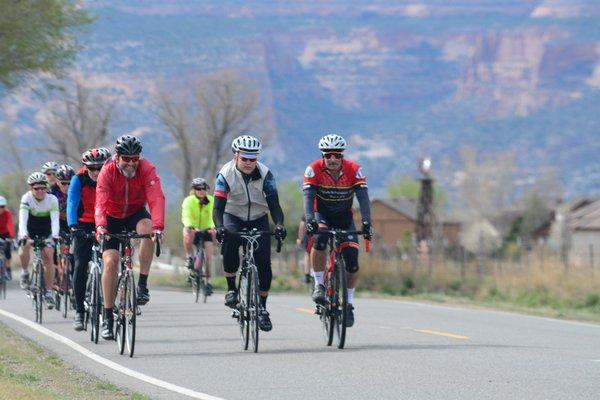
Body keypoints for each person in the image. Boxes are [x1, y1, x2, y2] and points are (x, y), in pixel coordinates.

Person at [213, 135, 286, 332]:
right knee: (229, 241)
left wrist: (279, 224)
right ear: (236, 156)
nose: (248, 163)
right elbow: (218, 209)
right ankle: (231, 289)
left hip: (258, 216)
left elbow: (274, 205)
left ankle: (262, 307)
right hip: (232, 215)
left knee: (263, 261)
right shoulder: (225, 175)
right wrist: (220, 227)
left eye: (252, 159)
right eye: (244, 158)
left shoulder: (266, 175)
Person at [95, 135, 165, 340]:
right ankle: (107, 317)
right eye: (126, 158)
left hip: (135, 212)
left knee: (149, 229)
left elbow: (156, 197)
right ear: (117, 157)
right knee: (111, 262)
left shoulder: (146, 169)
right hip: (111, 216)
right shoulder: (107, 171)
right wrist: (100, 225)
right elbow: (100, 201)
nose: (131, 163)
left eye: (135, 158)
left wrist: (159, 227)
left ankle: (142, 284)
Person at [303, 134, 372, 327]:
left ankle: (349, 303)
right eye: (328, 155)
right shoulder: (313, 169)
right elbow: (308, 199)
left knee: (352, 262)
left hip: (344, 218)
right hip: (321, 214)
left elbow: (363, 198)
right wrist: (310, 221)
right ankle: (319, 284)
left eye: (337, 155)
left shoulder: (354, 170)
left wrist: (367, 223)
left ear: (342, 156)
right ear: (323, 156)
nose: (333, 159)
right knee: (320, 239)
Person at [67, 148, 111, 331]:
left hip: (106, 223)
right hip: (84, 225)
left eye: (99, 168)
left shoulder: (110, 177)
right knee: (80, 265)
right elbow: (71, 203)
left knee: (111, 262)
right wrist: (72, 226)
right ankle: (79, 312)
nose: (95, 172)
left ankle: (114, 300)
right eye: (91, 168)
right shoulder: (78, 179)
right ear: (85, 168)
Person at [18, 172, 60, 308]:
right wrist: (24, 235)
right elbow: (22, 219)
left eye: (43, 187)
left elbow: (55, 220)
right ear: (31, 189)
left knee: (48, 255)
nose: (40, 191)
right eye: (36, 188)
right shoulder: (26, 198)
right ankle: (24, 272)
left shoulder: (52, 199)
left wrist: (54, 235)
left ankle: (48, 292)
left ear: (46, 187)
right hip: (30, 230)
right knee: (23, 248)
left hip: (46, 230)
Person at [181, 177, 215, 293]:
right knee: (186, 233)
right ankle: (189, 256)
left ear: (207, 189)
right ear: (194, 190)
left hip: (207, 230)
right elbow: (186, 215)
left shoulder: (211, 200)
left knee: (210, 256)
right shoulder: (188, 201)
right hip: (193, 229)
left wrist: (213, 226)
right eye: (198, 188)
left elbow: (213, 215)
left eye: (203, 188)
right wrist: (190, 226)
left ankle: (209, 282)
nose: (201, 191)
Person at [53, 164, 76, 234]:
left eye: (70, 183)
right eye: (63, 183)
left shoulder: (78, 190)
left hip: (75, 222)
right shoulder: (52, 193)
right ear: (57, 182)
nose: (67, 186)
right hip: (58, 223)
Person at [0, 196, 15, 280]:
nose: (1, 209)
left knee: (7, 251)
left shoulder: (7, 213)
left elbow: (10, 225)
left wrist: (11, 236)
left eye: (2, 206)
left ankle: (8, 269)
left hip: (5, 234)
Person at [296, 216, 312, 284]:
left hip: (309, 235)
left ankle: (307, 275)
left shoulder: (307, 212)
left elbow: (302, 226)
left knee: (307, 253)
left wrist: (300, 239)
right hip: (321, 232)